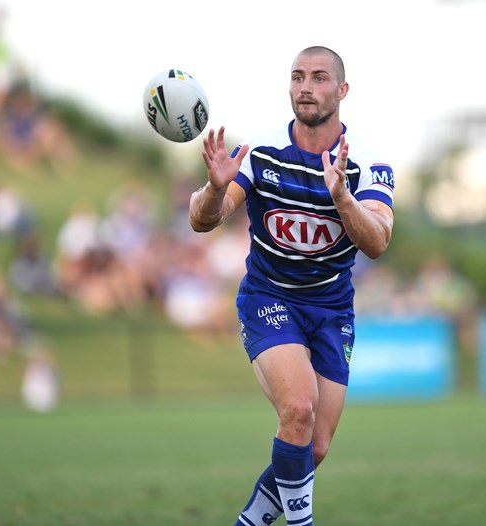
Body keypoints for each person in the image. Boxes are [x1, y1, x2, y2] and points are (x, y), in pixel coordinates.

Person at [188, 46, 395, 526]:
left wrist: (341, 195)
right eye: (298, 76)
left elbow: (378, 241)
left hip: (332, 309)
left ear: (342, 91)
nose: (306, 86)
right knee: (298, 409)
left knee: (314, 446)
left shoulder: (365, 163)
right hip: (270, 297)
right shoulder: (260, 151)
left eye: (320, 77)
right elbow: (204, 220)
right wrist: (217, 188)